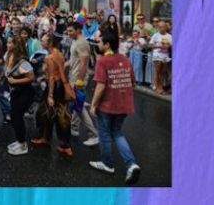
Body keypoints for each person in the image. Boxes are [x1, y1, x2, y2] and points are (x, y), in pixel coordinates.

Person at [89, 34, 141, 185]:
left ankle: (107, 163)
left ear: (107, 45)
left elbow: (101, 86)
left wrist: (93, 104)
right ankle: (131, 164)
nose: (97, 44)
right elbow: (133, 83)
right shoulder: (125, 59)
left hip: (107, 105)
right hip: (124, 104)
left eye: (99, 42)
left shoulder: (103, 62)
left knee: (104, 134)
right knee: (117, 133)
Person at [30, 33, 73, 156]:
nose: (41, 42)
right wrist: (45, 77)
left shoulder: (49, 57)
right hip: (61, 86)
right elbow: (57, 71)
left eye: (43, 41)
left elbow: (53, 78)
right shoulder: (58, 53)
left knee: (44, 113)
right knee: (61, 115)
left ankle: (45, 138)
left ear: (49, 43)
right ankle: (63, 144)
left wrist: (50, 96)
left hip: (54, 88)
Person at [0, 35, 35, 156]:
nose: (8, 45)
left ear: (17, 45)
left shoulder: (22, 61)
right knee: (14, 116)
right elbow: (7, 70)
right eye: (8, 43)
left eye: (11, 43)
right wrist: (0, 77)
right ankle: (19, 141)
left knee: (17, 117)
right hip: (15, 92)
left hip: (25, 93)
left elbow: (31, 78)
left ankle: (23, 145)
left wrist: (15, 81)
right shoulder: (8, 55)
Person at [65, 21, 100, 147]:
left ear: (78, 30)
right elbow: (73, 60)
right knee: (75, 103)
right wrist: (62, 66)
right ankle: (74, 128)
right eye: (68, 31)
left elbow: (84, 63)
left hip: (78, 78)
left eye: (71, 31)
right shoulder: (75, 41)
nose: (69, 33)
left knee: (79, 107)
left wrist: (79, 80)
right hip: (73, 76)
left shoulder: (82, 43)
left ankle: (93, 134)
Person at [148, 21, 173, 95]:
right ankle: (157, 87)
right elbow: (150, 45)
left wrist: (169, 46)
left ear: (166, 27)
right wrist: (159, 46)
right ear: (158, 28)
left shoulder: (170, 36)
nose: (162, 28)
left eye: (164, 27)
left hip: (165, 55)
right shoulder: (155, 35)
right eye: (161, 27)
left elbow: (172, 45)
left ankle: (160, 86)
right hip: (157, 55)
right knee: (157, 71)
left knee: (163, 72)